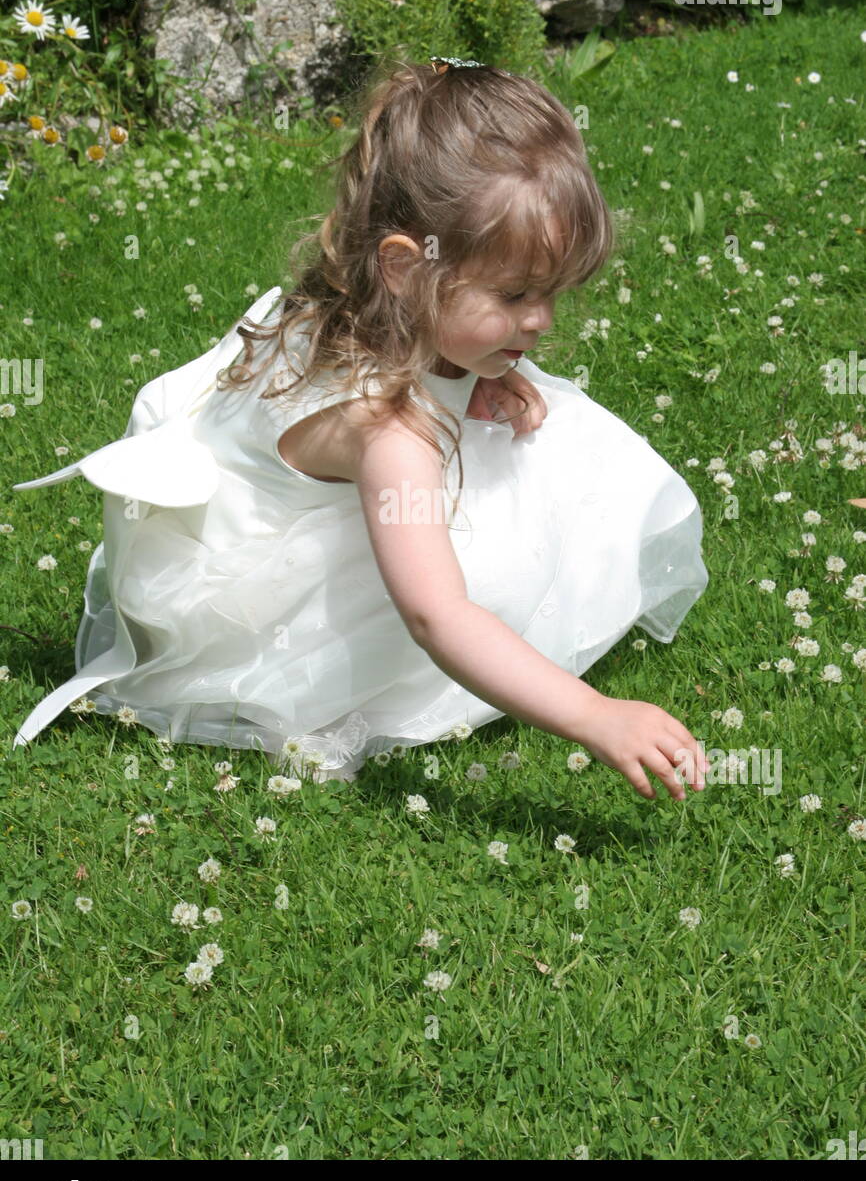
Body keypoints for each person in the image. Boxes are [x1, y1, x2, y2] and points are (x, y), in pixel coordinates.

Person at [11, 54, 710, 800]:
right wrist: (595, 715)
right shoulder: (391, 438)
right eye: (515, 295)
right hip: (270, 606)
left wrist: (485, 372)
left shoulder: (358, 306)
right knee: (497, 564)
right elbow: (438, 615)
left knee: (550, 433)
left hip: (277, 507)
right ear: (407, 269)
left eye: (553, 295)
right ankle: (332, 692)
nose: (539, 322)